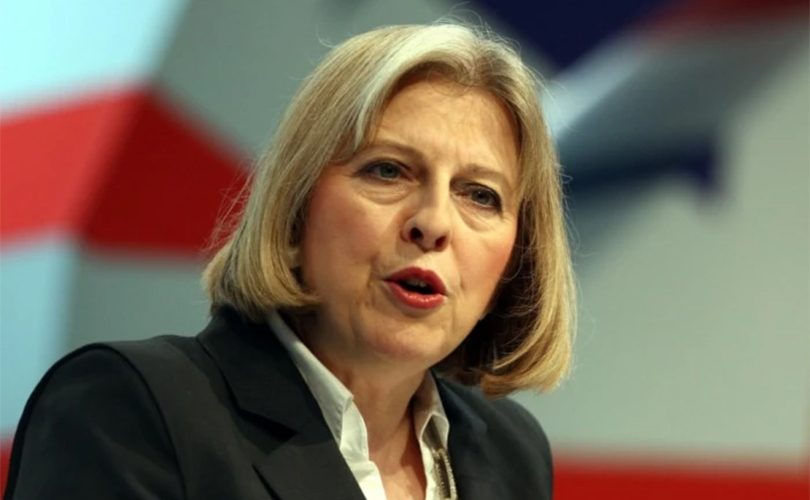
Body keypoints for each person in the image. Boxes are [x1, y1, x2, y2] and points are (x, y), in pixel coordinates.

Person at [4, 22, 575, 500]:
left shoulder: (510, 452)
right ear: (296, 210)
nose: (434, 222)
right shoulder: (130, 410)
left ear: (515, 261)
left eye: (480, 195)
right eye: (388, 170)